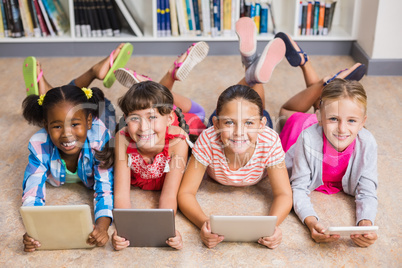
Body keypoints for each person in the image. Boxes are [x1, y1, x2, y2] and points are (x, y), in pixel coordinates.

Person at [177, 17, 293, 249]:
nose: (239, 133)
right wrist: (203, 223)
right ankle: (252, 68)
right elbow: (185, 193)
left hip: (258, 129)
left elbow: (283, 194)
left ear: (260, 125)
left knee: (254, 105)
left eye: (250, 123)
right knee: (243, 106)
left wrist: (273, 225)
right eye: (229, 123)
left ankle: (252, 67)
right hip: (229, 126)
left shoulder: (268, 139)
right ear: (217, 124)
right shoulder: (209, 138)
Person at [20, 43, 132, 252]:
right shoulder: (39, 144)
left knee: (65, 101)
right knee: (60, 101)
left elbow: (105, 186)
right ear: (45, 126)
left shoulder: (100, 138)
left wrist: (102, 225)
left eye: (74, 125)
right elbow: (32, 190)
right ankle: (52, 84)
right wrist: (34, 229)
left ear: (88, 122)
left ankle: (89, 74)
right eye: (55, 126)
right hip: (74, 110)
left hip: (102, 113)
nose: (66, 134)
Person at [275, 32, 378, 248]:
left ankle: (326, 85)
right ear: (319, 119)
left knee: (332, 105)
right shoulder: (307, 137)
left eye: (352, 121)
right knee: (287, 112)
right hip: (303, 128)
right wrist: (311, 221)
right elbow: (299, 187)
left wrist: (365, 222)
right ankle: (323, 83)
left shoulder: (367, 142)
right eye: (334, 119)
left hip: (323, 120)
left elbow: (367, 190)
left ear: (363, 123)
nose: (343, 129)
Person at [108, 42, 209, 250]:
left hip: (190, 120)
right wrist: (123, 229)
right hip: (166, 118)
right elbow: (121, 193)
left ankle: (163, 80)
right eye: (134, 118)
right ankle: (153, 90)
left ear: (169, 118)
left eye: (151, 117)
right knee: (155, 104)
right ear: (126, 119)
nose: (143, 127)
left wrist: (167, 228)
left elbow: (170, 194)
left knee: (201, 118)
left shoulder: (177, 144)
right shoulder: (123, 138)